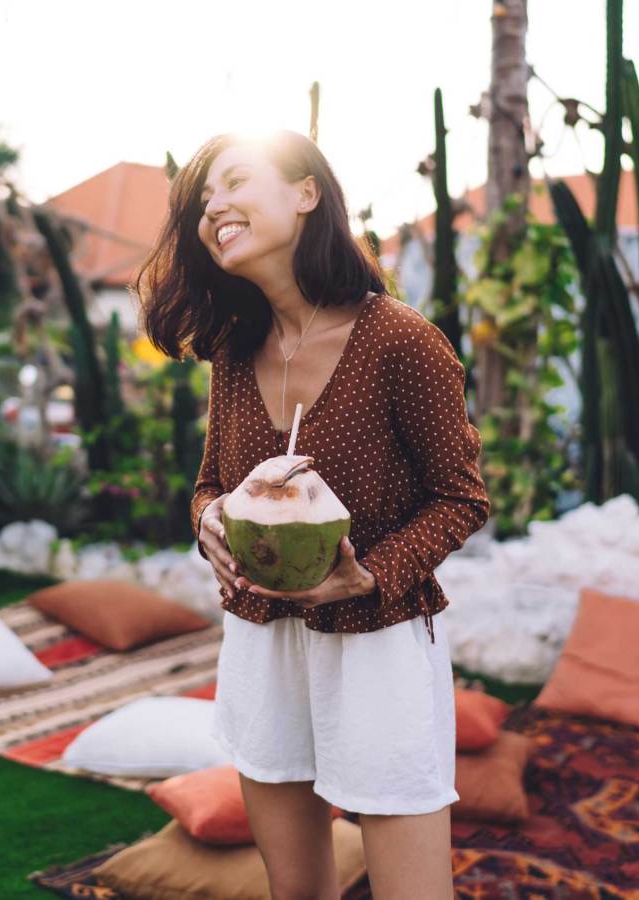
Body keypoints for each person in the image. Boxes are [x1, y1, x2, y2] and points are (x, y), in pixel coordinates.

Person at [136, 128, 489, 900]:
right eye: (202, 202)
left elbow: (462, 499)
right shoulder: (235, 349)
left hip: (378, 642)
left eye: (233, 183)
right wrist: (209, 526)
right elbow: (207, 486)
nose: (214, 208)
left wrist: (368, 577)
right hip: (261, 641)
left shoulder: (401, 340)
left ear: (305, 194)